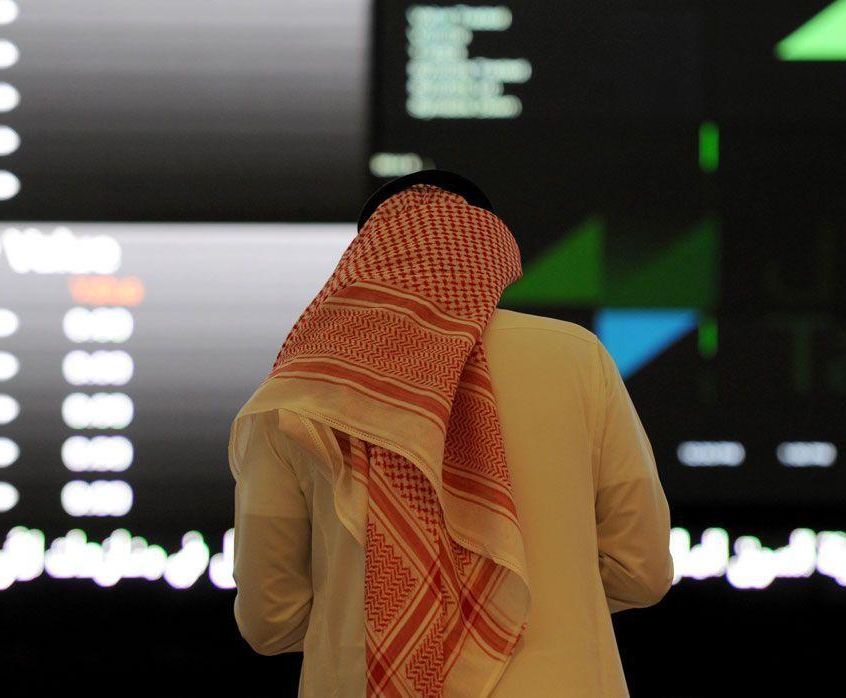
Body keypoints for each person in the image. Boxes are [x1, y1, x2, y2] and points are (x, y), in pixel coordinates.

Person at [227, 174, 673, 697]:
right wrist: (536, 605)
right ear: (488, 257)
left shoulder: (298, 392)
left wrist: (378, 626)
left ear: (366, 261)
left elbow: (269, 618)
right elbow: (643, 570)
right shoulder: (577, 358)